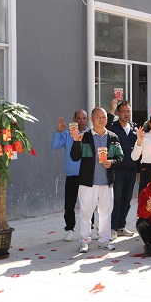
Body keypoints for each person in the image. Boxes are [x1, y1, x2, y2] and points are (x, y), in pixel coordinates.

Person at [69, 107, 124, 253]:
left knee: (106, 214)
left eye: (104, 117)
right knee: (86, 214)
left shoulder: (112, 137)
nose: (101, 119)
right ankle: (84, 241)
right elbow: (75, 157)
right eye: (98, 117)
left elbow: (120, 157)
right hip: (88, 183)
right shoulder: (84, 137)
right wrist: (76, 142)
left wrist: (112, 162)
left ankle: (104, 241)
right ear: (92, 119)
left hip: (106, 183)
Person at [52, 109, 89, 242]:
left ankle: (90, 228)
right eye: (79, 118)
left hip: (87, 174)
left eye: (84, 118)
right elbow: (54, 146)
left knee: (88, 204)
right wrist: (59, 131)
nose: (81, 121)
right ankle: (69, 229)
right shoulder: (68, 135)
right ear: (74, 120)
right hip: (72, 175)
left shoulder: (91, 134)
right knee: (69, 204)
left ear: (87, 120)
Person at [107, 100, 139, 239]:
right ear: (118, 113)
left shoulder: (134, 128)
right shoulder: (113, 127)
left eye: (128, 111)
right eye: (123, 111)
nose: (126, 114)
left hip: (131, 169)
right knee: (116, 199)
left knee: (126, 200)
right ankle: (112, 228)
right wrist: (111, 110)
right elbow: (105, 128)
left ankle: (121, 226)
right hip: (117, 169)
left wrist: (138, 170)